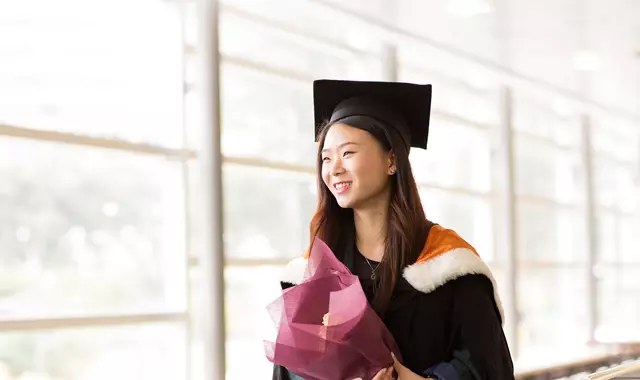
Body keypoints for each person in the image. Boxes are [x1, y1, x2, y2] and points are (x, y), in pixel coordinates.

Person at [272, 79, 514, 380]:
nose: (334, 168)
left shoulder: (449, 266)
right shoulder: (311, 272)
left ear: (391, 159)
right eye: (326, 157)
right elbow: (288, 371)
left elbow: (488, 367)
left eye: (348, 153)